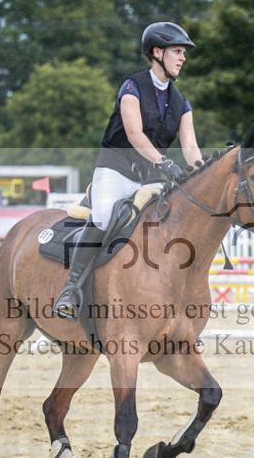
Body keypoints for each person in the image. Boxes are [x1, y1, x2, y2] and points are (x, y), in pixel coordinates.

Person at [53, 22, 205, 320]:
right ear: (157, 52)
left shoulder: (181, 102)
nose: (183, 58)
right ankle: (71, 288)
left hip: (149, 179)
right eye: (177, 51)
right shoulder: (132, 87)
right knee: (104, 216)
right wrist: (164, 163)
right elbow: (134, 134)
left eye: (183, 53)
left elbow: (190, 147)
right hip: (115, 170)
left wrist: (202, 173)